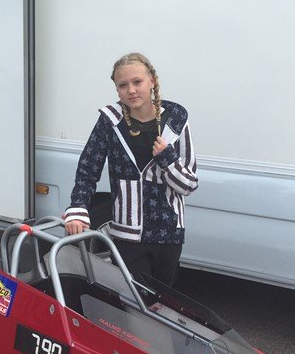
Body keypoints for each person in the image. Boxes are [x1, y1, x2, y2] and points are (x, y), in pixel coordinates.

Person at [63, 52, 198, 286]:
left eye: (137, 82)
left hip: (168, 232)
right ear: (117, 90)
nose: (131, 90)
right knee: (133, 297)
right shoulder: (110, 120)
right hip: (127, 233)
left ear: (152, 81)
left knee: (161, 298)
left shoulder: (176, 121)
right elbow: (88, 166)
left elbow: (189, 184)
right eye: (123, 85)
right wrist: (78, 206)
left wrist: (167, 158)